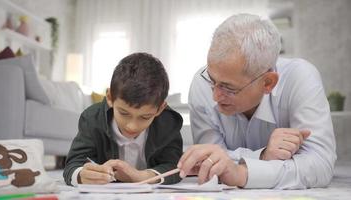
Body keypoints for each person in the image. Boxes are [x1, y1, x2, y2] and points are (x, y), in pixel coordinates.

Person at [178, 13, 336, 189]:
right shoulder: (201, 84)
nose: (215, 96)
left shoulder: (300, 78)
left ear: (268, 83)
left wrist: (242, 173)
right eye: (212, 80)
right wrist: (262, 156)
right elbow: (209, 162)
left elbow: (320, 165)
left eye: (229, 87)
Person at [63, 52, 183, 186]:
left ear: (160, 109)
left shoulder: (168, 123)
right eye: (124, 113)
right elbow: (73, 164)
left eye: (145, 117)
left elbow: (175, 166)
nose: (132, 126)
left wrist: (142, 176)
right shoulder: (92, 119)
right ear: (109, 97)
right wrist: (81, 175)